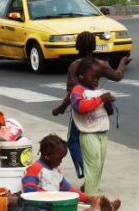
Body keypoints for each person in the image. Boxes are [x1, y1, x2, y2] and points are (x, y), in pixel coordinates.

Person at [52, 31, 130, 177]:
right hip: (98, 106)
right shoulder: (99, 64)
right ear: (94, 46)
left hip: (82, 108)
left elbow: (73, 93)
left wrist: (61, 108)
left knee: (74, 141)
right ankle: (93, 171)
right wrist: (123, 63)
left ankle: (83, 171)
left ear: (77, 46)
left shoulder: (74, 66)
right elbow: (117, 76)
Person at [22, 134, 120, 211]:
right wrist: (53, 197)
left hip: (56, 206)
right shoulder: (34, 169)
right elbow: (30, 192)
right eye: (59, 158)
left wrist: (88, 198)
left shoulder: (56, 171)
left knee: (79, 207)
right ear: (47, 156)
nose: (61, 161)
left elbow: (68, 189)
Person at [70, 57, 115, 196]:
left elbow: (109, 112)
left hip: (102, 133)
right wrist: (101, 99)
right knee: (93, 167)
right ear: (81, 75)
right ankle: (91, 198)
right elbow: (80, 107)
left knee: (99, 167)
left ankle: (91, 190)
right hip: (89, 134)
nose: (96, 80)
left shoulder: (98, 90)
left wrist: (108, 103)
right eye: (93, 77)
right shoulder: (78, 90)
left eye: (98, 77)